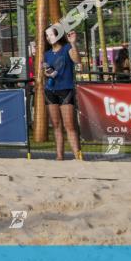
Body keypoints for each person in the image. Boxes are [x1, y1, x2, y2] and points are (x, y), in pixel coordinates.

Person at [44, 27, 81, 161]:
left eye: (51, 35)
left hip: (65, 89)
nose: (48, 38)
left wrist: (73, 43)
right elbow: (45, 70)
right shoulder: (47, 54)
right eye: (47, 36)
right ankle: (59, 156)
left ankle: (78, 156)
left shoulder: (66, 49)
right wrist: (47, 72)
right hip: (50, 90)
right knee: (56, 124)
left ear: (58, 35)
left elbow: (77, 61)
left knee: (69, 125)